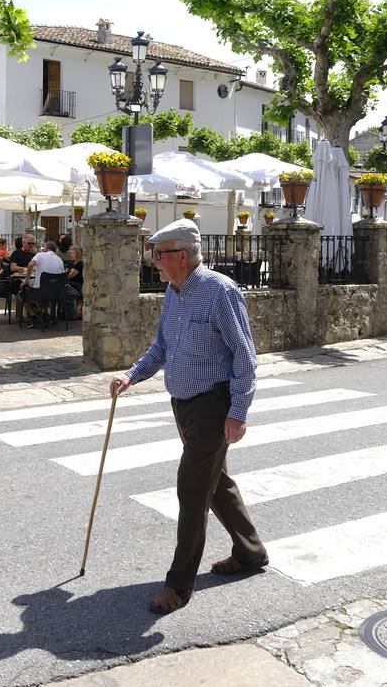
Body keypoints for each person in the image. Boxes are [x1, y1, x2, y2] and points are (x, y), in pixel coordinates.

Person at [109, 220, 266, 615]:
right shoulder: (173, 291)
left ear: (181, 255)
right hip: (183, 404)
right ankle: (251, 552)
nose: (153, 262)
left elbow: (244, 355)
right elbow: (162, 345)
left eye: (158, 255)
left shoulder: (219, 291)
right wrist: (132, 374)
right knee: (217, 484)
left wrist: (238, 411)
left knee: (192, 490)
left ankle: (179, 584)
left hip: (213, 404)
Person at [22, 239, 66, 327]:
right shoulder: (60, 260)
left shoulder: (39, 255)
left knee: (21, 292)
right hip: (56, 293)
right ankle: (45, 314)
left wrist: (26, 280)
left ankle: (35, 315)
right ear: (55, 250)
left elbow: (30, 265)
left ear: (45, 248)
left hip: (40, 292)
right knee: (45, 288)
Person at [65, 246, 84, 317]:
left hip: (76, 287)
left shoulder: (79, 264)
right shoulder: (75, 264)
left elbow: (69, 276)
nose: (71, 255)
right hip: (75, 286)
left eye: (72, 253)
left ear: (78, 254)